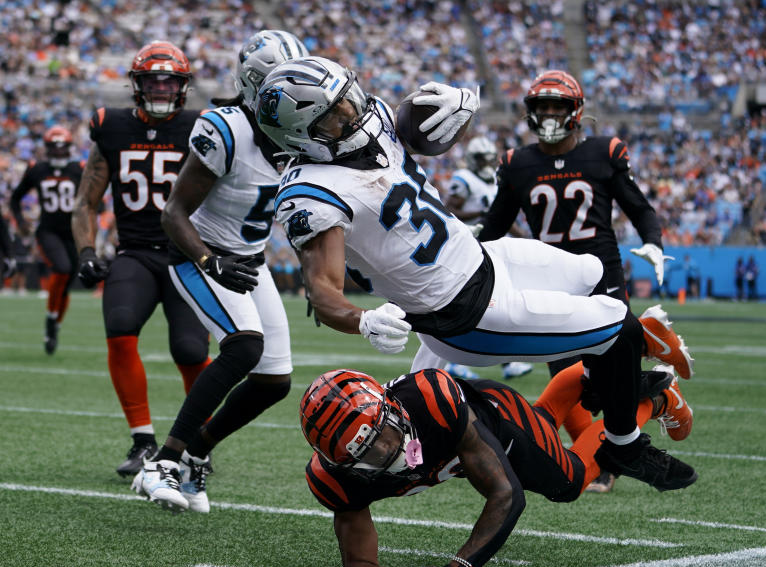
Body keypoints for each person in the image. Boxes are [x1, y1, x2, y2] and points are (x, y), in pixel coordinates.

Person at [256, 56, 696, 492]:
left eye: (348, 98)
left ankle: (608, 386)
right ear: (303, 137)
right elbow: (322, 289)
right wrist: (362, 319)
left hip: (485, 259)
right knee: (617, 328)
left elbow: (416, 124)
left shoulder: (364, 124)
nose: (354, 112)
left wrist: (453, 106)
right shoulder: (311, 194)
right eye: (336, 114)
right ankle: (625, 444)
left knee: (592, 271)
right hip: (468, 314)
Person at [299, 360, 694, 567]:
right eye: (363, 454)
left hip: (499, 421)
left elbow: (506, 494)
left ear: (391, 406)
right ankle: (590, 376)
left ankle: (647, 402)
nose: (384, 452)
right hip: (479, 439)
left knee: (569, 480)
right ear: (339, 462)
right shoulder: (336, 479)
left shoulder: (432, 401)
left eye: (382, 434)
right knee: (545, 426)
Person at [475, 70, 682, 492]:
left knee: (603, 375)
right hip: (549, 277)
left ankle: (645, 402)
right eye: (543, 107)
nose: (549, 114)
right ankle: (621, 431)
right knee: (568, 373)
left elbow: (638, 206)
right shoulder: (518, 163)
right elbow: (495, 226)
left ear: (576, 112)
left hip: (602, 272)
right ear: (531, 113)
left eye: (558, 106)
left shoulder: (602, 153)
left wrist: (655, 242)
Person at [131, 31, 307, 513]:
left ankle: (196, 454)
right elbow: (173, 214)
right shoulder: (226, 128)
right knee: (245, 346)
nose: (299, 94)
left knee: (275, 381)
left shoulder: (303, 137)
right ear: (256, 85)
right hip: (197, 254)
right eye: (286, 83)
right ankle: (160, 463)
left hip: (249, 260)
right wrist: (211, 261)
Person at [72, 41, 211, 477]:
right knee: (119, 328)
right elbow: (85, 203)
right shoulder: (110, 127)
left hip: (186, 254)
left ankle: (197, 444)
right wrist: (87, 251)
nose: (163, 88)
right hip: (134, 253)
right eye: (154, 80)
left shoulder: (201, 128)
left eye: (171, 80)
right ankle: (143, 441)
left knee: (190, 351)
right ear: (137, 84)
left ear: (183, 86)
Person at [441, 135, 533, 383]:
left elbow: (501, 217)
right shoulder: (464, 180)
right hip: (468, 249)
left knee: (496, 303)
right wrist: (480, 214)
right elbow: (448, 210)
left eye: (490, 157)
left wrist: (523, 236)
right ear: (473, 159)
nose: (488, 162)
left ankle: (505, 360)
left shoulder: (494, 181)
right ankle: (450, 362)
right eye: (483, 158)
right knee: (474, 304)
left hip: (490, 249)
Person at [9, 125, 84, 354]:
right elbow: (15, 199)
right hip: (48, 230)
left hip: (73, 232)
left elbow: (94, 198)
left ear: (69, 148)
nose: (59, 152)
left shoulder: (79, 169)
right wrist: (21, 221)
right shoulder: (37, 169)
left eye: (63, 148)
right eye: (55, 147)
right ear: (48, 148)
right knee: (61, 269)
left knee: (67, 281)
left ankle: (55, 324)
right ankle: (51, 321)